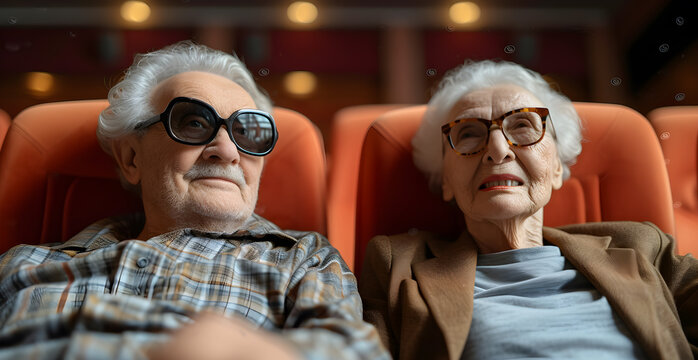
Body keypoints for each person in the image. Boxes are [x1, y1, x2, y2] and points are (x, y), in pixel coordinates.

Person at [0, 41, 388, 360]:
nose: (227, 151)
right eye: (194, 123)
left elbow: (353, 352)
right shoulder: (22, 264)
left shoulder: (303, 259)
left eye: (247, 132)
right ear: (131, 158)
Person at [359, 60, 698, 360]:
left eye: (522, 126)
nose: (497, 150)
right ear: (444, 179)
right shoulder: (398, 267)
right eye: (468, 134)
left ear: (556, 167)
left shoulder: (642, 247)